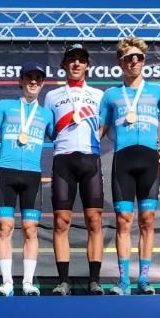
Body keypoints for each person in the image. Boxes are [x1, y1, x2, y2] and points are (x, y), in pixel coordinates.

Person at [99, 37, 160, 295]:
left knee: (147, 220)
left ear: (144, 61)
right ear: (120, 63)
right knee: (123, 221)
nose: (134, 61)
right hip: (123, 161)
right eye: (129, 58)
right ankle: (124, 281)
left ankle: (143, 279)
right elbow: (101, 129)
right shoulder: (110, 95)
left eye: (139, 57)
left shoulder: (158, 91)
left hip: (149, 161)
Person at [0, 62, 54, 296]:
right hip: (5, 171)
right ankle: (7, 283)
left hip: (32, 174)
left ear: (43, 83)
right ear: (20, 81)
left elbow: (62, 138)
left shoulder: (47, 114)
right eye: (29, 77)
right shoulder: (4, 106)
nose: (33, 81)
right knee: (5, 227)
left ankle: (28, 283)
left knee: (31, 228)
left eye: (38, 78)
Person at [43, 43, 106, 295]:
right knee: (61, 221)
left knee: (94, 221)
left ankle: (94, 281)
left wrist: (97, 137)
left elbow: (106, 124)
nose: (76, 64)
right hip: (63, 160)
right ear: (64, 65)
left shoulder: (99, 95)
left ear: (88, 65)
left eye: (81, 60)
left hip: (91, 159)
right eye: (71, 60)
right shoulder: (52, 96)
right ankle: (64, 282)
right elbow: (48, 128)